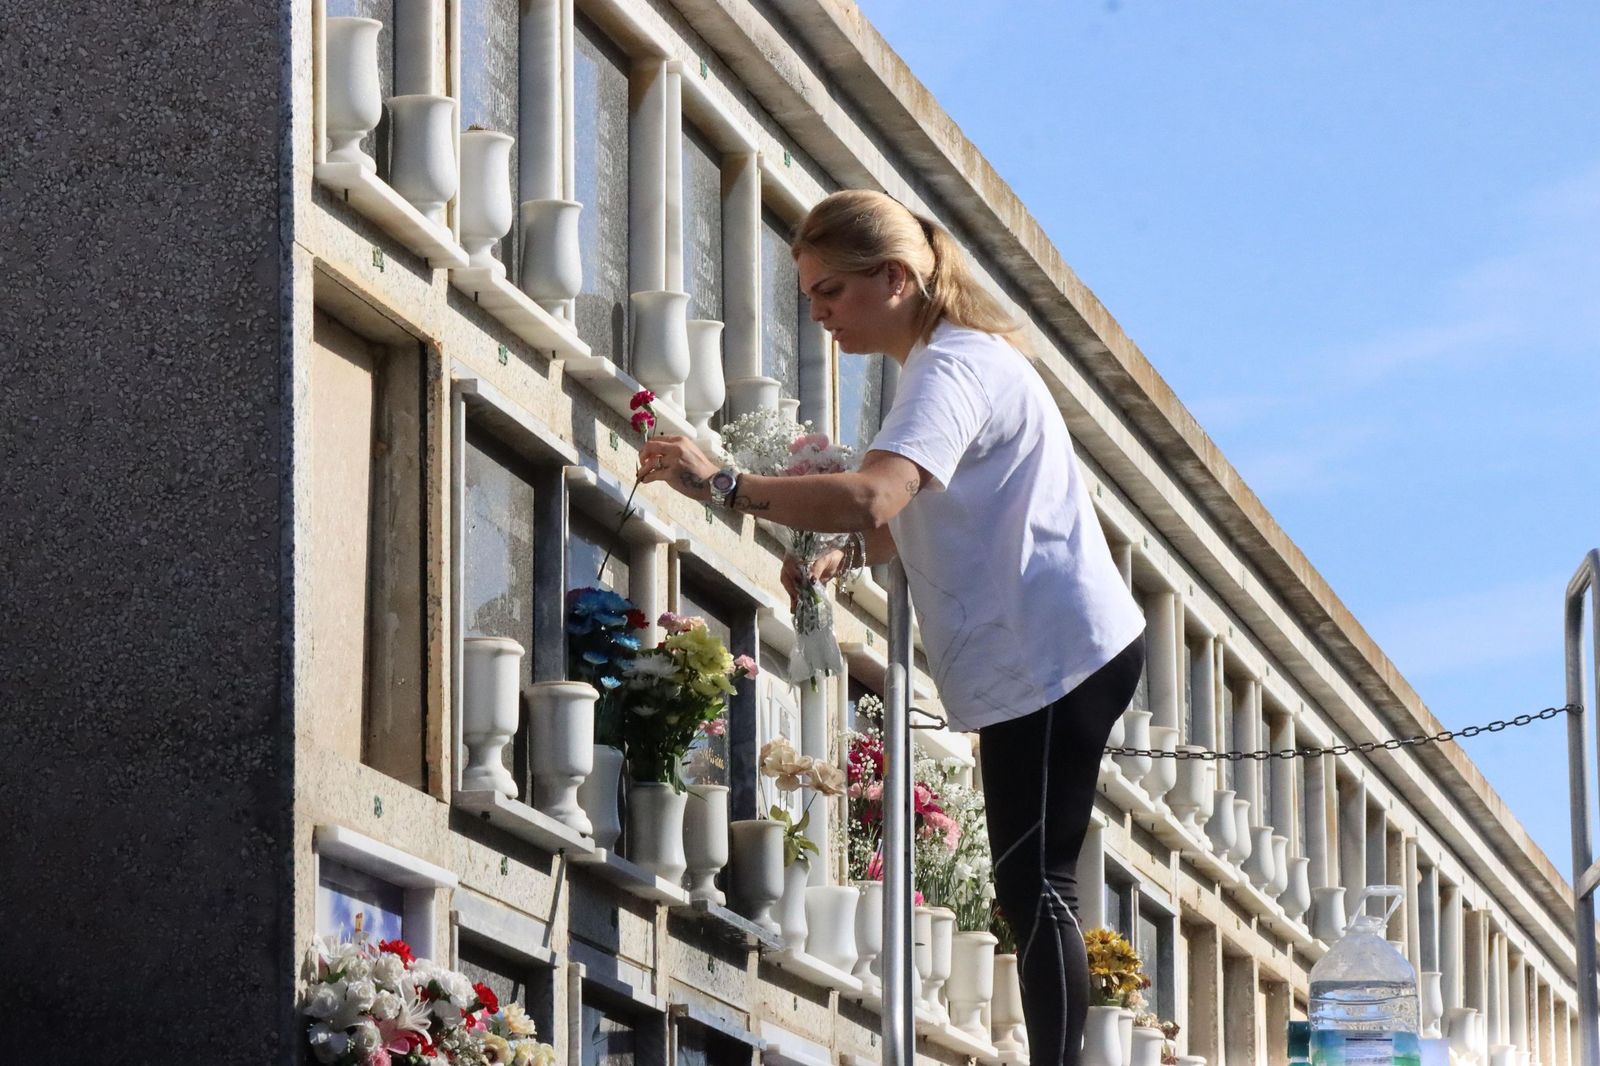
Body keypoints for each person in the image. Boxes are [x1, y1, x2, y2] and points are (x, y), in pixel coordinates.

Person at [638, 188, 1147, 1065]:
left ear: (897, 279)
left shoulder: (954, 367)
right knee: (1033, 880)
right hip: (1049, 652)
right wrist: (854, 550)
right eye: (810, 297)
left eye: (830, 292)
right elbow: (922, 508)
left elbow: (879, 490)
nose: (820, 312)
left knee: (1036, 881)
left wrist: (724, 483)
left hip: (1051, 653)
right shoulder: (945, 364)